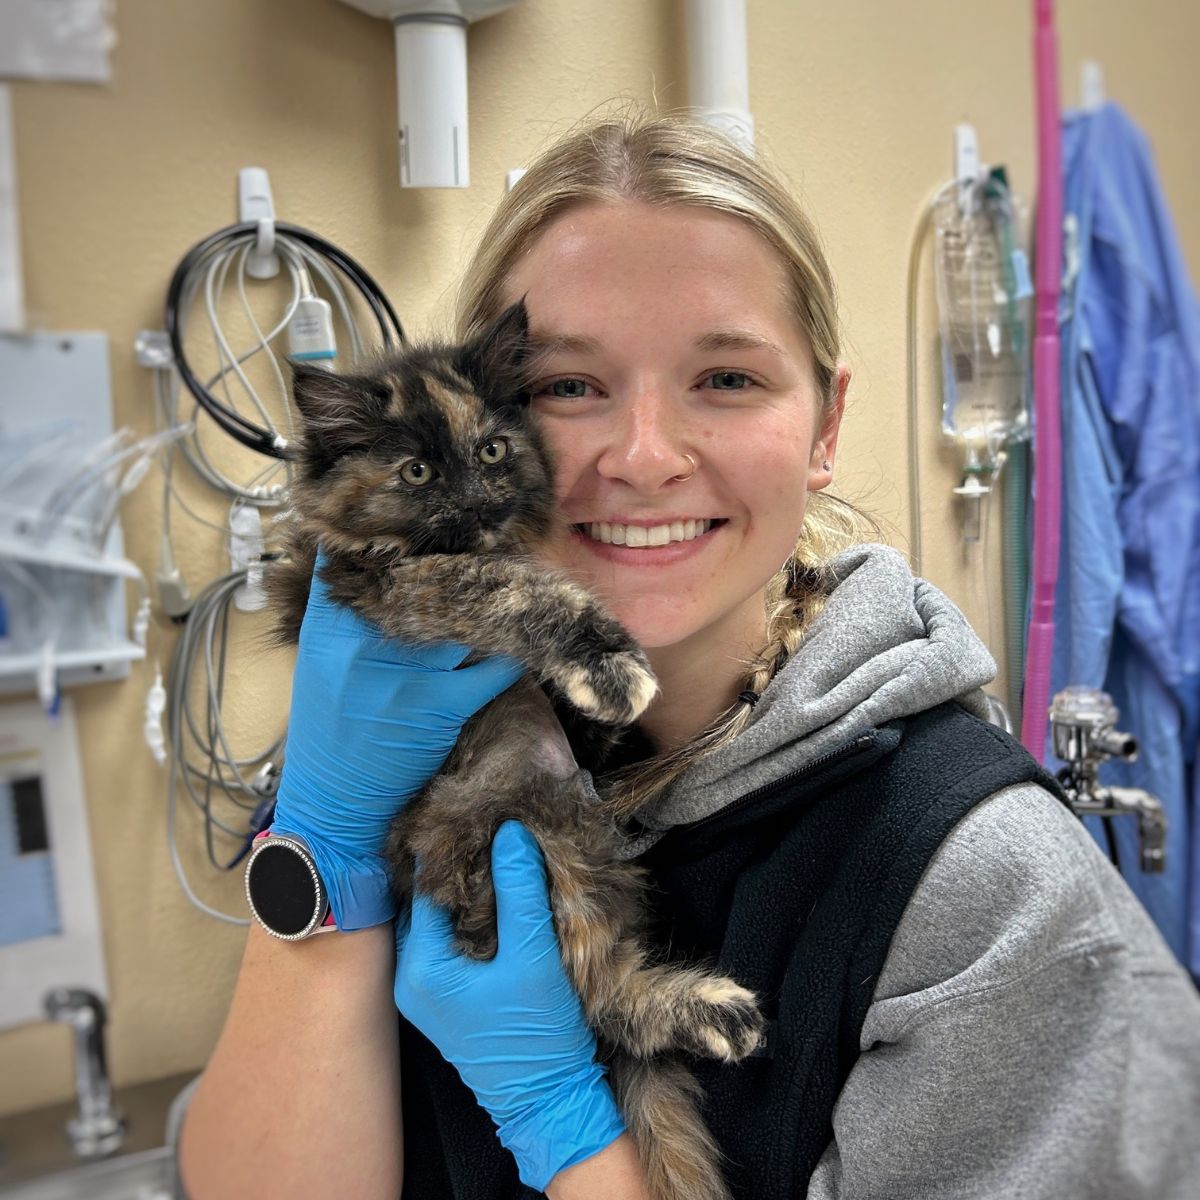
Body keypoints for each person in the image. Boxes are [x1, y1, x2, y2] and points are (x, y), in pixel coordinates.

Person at [178, 111, 1200, 1200]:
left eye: (727, 379)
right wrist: (324, 859)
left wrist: (564, 1128)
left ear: (824, 427)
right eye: (567, 387)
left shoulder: (988, 892)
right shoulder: (399, 735)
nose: (646, 458)